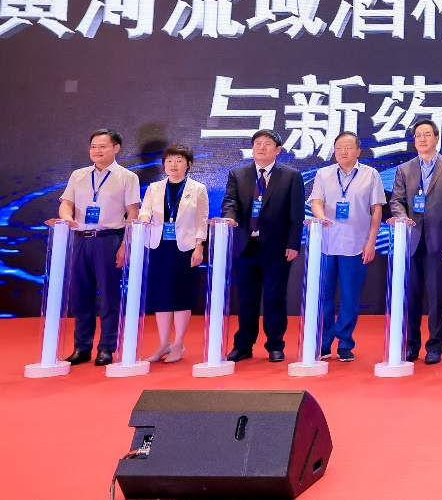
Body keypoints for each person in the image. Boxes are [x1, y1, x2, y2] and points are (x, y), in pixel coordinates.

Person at [49, 129, 141, 366]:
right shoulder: (78, 175)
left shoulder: (127, 177)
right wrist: (66, 218)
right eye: (93, 146)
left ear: (116, 148)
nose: (96, 151)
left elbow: (132, 214)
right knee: (80, 296)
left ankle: (107, 347)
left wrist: (125, 245)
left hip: (108, 239)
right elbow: (66, 204)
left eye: (102, 146)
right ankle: (82, 347)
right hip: (80, 239)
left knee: (109, 296)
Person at [221, 129, 305, 363]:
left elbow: (296, 213)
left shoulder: (291, 176)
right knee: (247, 299)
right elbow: (230, 201)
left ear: (278, 150)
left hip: (277, 247)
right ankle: (243, 346)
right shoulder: (238, 174)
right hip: (245, 245)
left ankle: (275, 345)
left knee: (274, 297)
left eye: (267, 144)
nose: (261, 147)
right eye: (257, 143)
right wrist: (229, 217)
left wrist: (293, 243)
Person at [389, 118, 442, 365]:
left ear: (436, 138)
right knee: (411, 297)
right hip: (410, 241)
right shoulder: (405, 169)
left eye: (427, 134)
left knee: (437, 297)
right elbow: (396, 201)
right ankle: (411, 345)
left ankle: (435, 346)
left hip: (439, 241)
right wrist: (402, 217)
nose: (422, 139)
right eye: (418, 135)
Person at [310, 131, 383, 362]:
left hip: (356, 243)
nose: (343, 151)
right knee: (324, 297)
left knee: (350, 298)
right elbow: (316, 201)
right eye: (339, 147)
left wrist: (371, 241)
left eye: (349, 147)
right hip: (327, 243)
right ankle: (323, 343)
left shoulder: (370, 174)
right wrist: (321, 217)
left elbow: (376, 209)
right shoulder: (323, 174)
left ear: (358, 151)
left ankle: (344, 342)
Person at [137, 144, 209, 364]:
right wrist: (144, 218)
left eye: (179, 160)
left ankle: (178, 343)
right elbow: (145, 210)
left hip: (185, 248)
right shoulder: (154, 188)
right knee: (161, 295)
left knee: (181, 295)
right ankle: (163, 343)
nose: (173, 165)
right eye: (169, 161)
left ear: (188, 164)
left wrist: (199, 246)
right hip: (159, 247)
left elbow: (201, 220)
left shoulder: (198, 189)